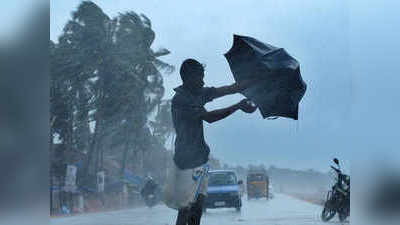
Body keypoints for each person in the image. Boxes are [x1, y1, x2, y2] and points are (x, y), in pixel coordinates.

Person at [171, 58, 257, 225]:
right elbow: (209, 117)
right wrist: (238, 106)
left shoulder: (196, 93)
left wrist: (255, 81)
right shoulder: (181, 100)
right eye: (200, 77)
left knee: (196, 211)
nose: (203, 81)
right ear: (188, 78)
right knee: (186, 210)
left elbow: (227, 89)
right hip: (185, 161)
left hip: (200, 160)